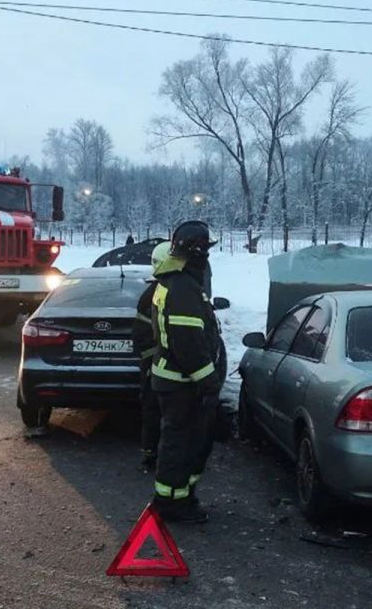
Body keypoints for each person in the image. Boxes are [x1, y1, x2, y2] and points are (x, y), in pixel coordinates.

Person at [149, 221, 222, 523]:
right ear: (197, 252)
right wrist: (209, 382)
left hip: (177, 381)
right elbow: (188, 345)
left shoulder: (178, 282)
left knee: (186, 443)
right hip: (182, 383)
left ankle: (181, 498)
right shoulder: (183, 288)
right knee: (181, 445)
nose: (208, 257)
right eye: (205, 250)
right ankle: (171, 504)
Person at [133, 240, 172, 473]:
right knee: (153, 411)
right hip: (157, 367)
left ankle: (155, 454)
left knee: (156, 412)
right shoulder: (153, 296)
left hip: (160, 366)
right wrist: (152, 361)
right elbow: (141, 335)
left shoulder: (165, 291)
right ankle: (151, 455)